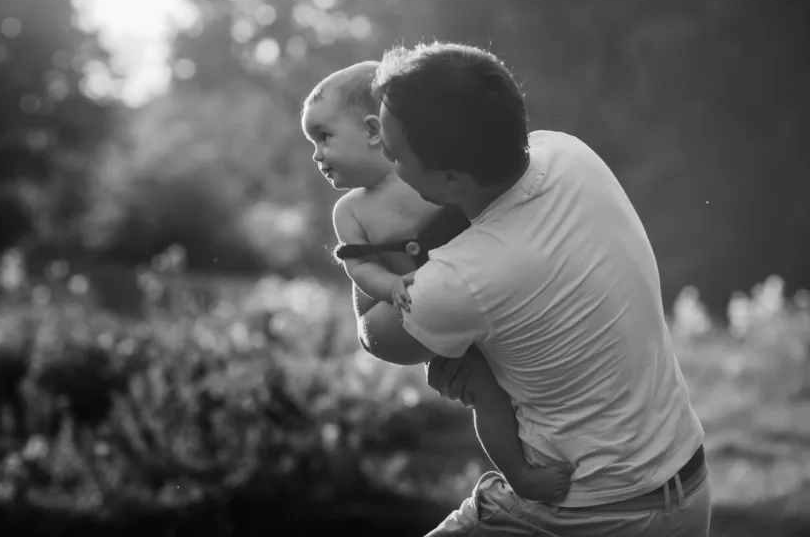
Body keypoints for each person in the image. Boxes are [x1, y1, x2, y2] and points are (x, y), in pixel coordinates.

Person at [351, 40, 711, 536]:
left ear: (453, 177)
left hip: (582, 512)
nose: (389, 168)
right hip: (686, 486)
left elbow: (376, 335)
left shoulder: (458, 282)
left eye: (393, 156)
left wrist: (363, 229)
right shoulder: (569, 153)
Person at [302, 61, 573, 503]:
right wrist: (390, 288)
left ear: (374, 131)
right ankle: (521, 477)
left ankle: (554, 445)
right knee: (485, 394)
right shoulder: (350, 212)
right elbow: (359, 268)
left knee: (523, 376)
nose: (316, 154)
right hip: (418, 311)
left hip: (480, 303)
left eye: (324, 137)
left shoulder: (423, 173)